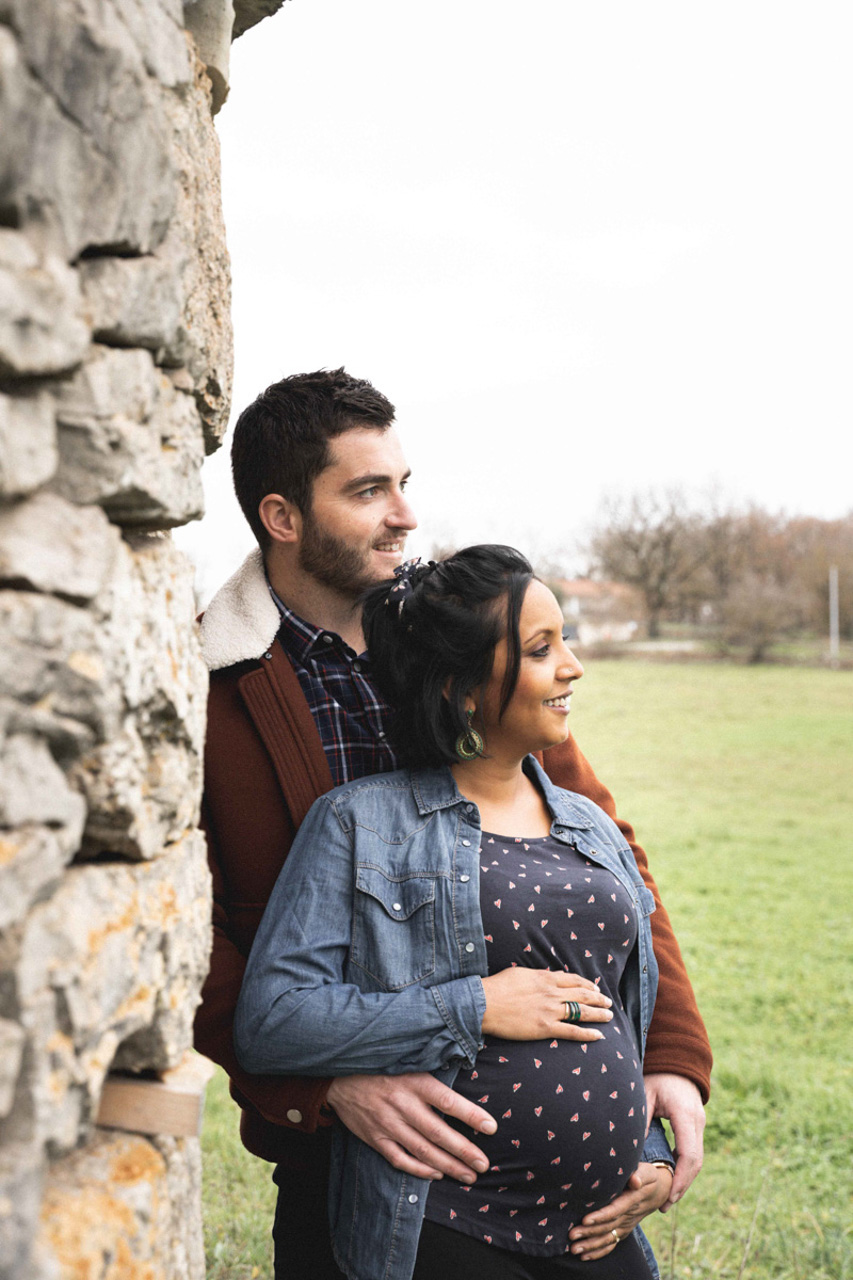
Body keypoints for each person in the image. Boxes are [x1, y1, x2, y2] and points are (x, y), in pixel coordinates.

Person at [194, 369, 711, 1278]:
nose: (404, 515)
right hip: (359, 1163)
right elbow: (187, 932)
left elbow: (601, 853)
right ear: (282, 517)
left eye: (403, 484)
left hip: (561, 1196)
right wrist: (320, 1085)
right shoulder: (206, 685)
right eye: (367, 491)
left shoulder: (456, 645)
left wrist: (667, 1053)